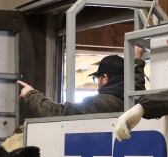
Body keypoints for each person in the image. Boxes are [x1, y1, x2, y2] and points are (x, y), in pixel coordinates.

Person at [17, 46, 146, 117]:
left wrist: (31, 94)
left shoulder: (100, 103)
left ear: (105, 78)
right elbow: (137, 86)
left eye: (97, 78)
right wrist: (136, 60)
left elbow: (58, 113)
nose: (97, 86)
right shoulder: (135, 101)